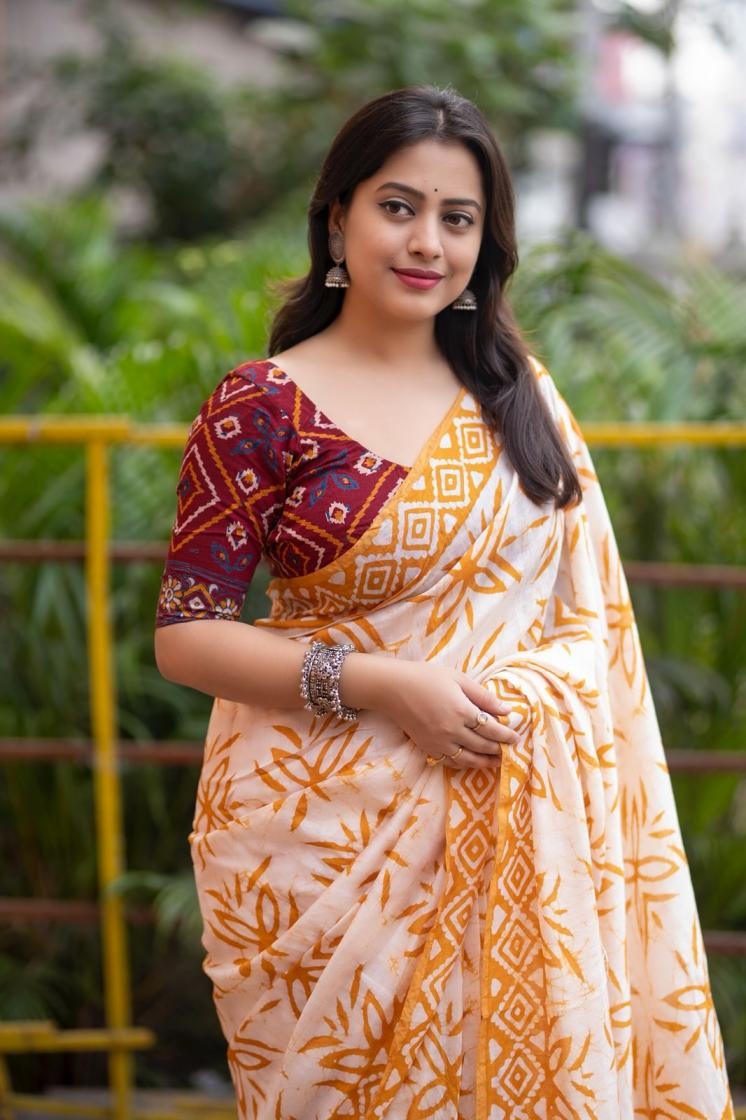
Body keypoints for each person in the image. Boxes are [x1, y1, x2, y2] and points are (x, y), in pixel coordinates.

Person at [154, 86, 734, 1119]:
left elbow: (584, 630)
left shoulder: (518, 401)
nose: (427, 241)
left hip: (531, 831)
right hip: (320, 856)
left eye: (457, 218)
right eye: (398, 207)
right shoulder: (262, 406)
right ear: (338, 216)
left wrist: (528, 696)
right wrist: (382, 684)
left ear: (484, 241)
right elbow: (188, 635)